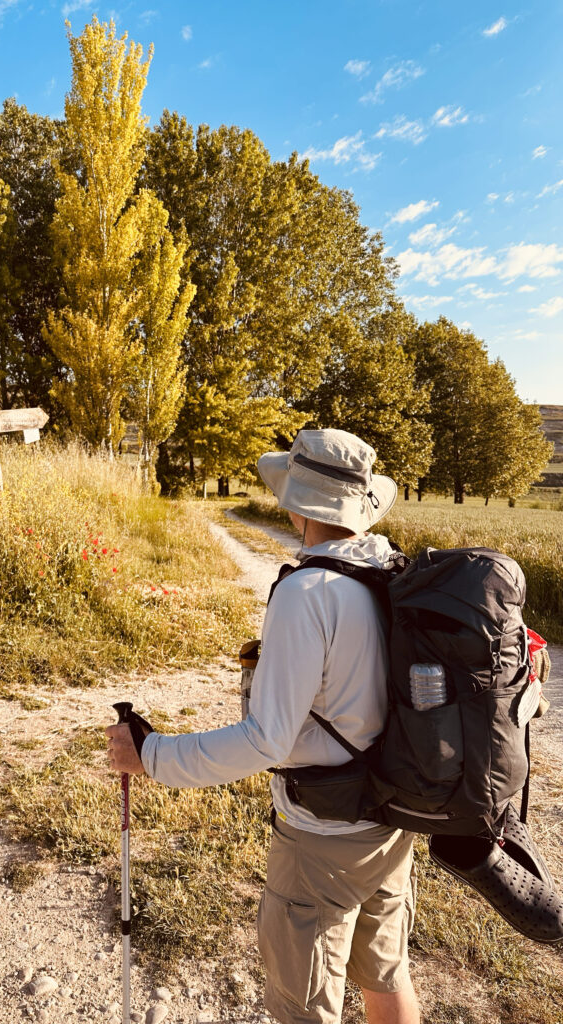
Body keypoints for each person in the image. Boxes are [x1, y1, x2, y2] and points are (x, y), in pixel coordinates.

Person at [106, 428, 420, 1024]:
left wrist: (152, 756)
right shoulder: (388, 572)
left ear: (299, 504)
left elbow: (266, 738)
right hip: (388, 820)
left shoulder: (308, 593)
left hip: (321, 837)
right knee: (387, 974)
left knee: (302, 1007)